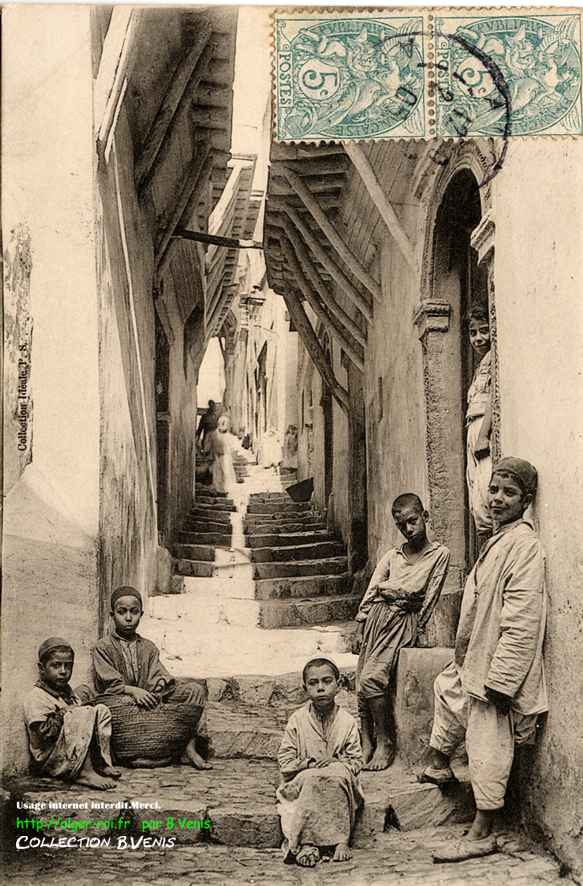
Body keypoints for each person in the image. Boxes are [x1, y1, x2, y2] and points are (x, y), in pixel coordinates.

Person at [421, 457, 547, 863]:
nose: (497, 499)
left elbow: (523, 620)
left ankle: (484, 827)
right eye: (493, 489)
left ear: (525, 501)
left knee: (487, 742)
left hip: (497, 670)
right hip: (475, 657)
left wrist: (503, 680)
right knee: (447, 688)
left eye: (509, 493)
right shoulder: (498, 539)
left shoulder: (524, 547)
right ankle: (438, 761)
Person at [353, 494, 450, 771]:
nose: (408, 529)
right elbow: (374, 589)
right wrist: (361, 622)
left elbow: (430, 598)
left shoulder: (439, 555)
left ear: (425, 517)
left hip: (402, 620)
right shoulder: (392, 556)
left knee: (373, 679)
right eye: (401, 525)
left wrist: (419, 630)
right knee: (362, 682)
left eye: (413, 521)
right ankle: (366, 739)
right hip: (377, 617)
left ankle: (385, 741)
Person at [92, 587, 211, 770]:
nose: (128, 618)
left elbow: (159, 675)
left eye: (134, 612)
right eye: (122, 612)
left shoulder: (149, 647)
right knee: (113, 704)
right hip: (122, 701)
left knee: (194, 690)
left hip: (147, 699)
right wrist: (132, 691)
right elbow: (108, 683)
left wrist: (159, 685)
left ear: (141, 614)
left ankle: (189, 747)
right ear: (112, 615)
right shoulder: (103, 647)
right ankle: (132, 750)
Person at [277, 657, 363, 867]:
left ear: (338, 684)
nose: (321, 688)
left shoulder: (347, 722)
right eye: (313, 683)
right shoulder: (297, 720)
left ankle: (340, 841)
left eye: (326, 681)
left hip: (339, 777)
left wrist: (335, 762)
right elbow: (285, 760)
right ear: (305, 688)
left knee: (338, 776)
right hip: (304, 778)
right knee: (314, 779)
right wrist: (308, 763)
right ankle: (307, 842)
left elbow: (356, 760)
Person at [24, 637, 121, 790]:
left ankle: (101, 763)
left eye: (68, 666)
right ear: (42, 668)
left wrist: (86, 710)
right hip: (50, 759)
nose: (63, 671)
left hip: (70, 754)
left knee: (101, 710)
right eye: (56, 666)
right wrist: (65, 713)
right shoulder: (36, 696)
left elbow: (82, 728)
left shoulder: (68, 693)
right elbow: (44, 733)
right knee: (80, 712)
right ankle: (85, 773)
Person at [466, 304, 493, 539]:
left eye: (484, 330)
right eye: (473, 333)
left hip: (483, 430)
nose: (478, 338)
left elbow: (494, 398)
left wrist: (484, 435)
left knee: (485, 497)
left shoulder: (494, 359)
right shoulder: (480, 365)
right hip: (472, 428)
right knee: (475, 494)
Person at [208, 414, 236, 494]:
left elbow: (232, 449)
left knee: (227, 473)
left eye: (226, 424)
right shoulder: (214, 434)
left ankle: (226, 490)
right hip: (217, 456)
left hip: (226, 456)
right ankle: (219, 489)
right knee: (218, 474)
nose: (225, 425)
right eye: (223, 423)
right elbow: (210, 446)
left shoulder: (229, 436)